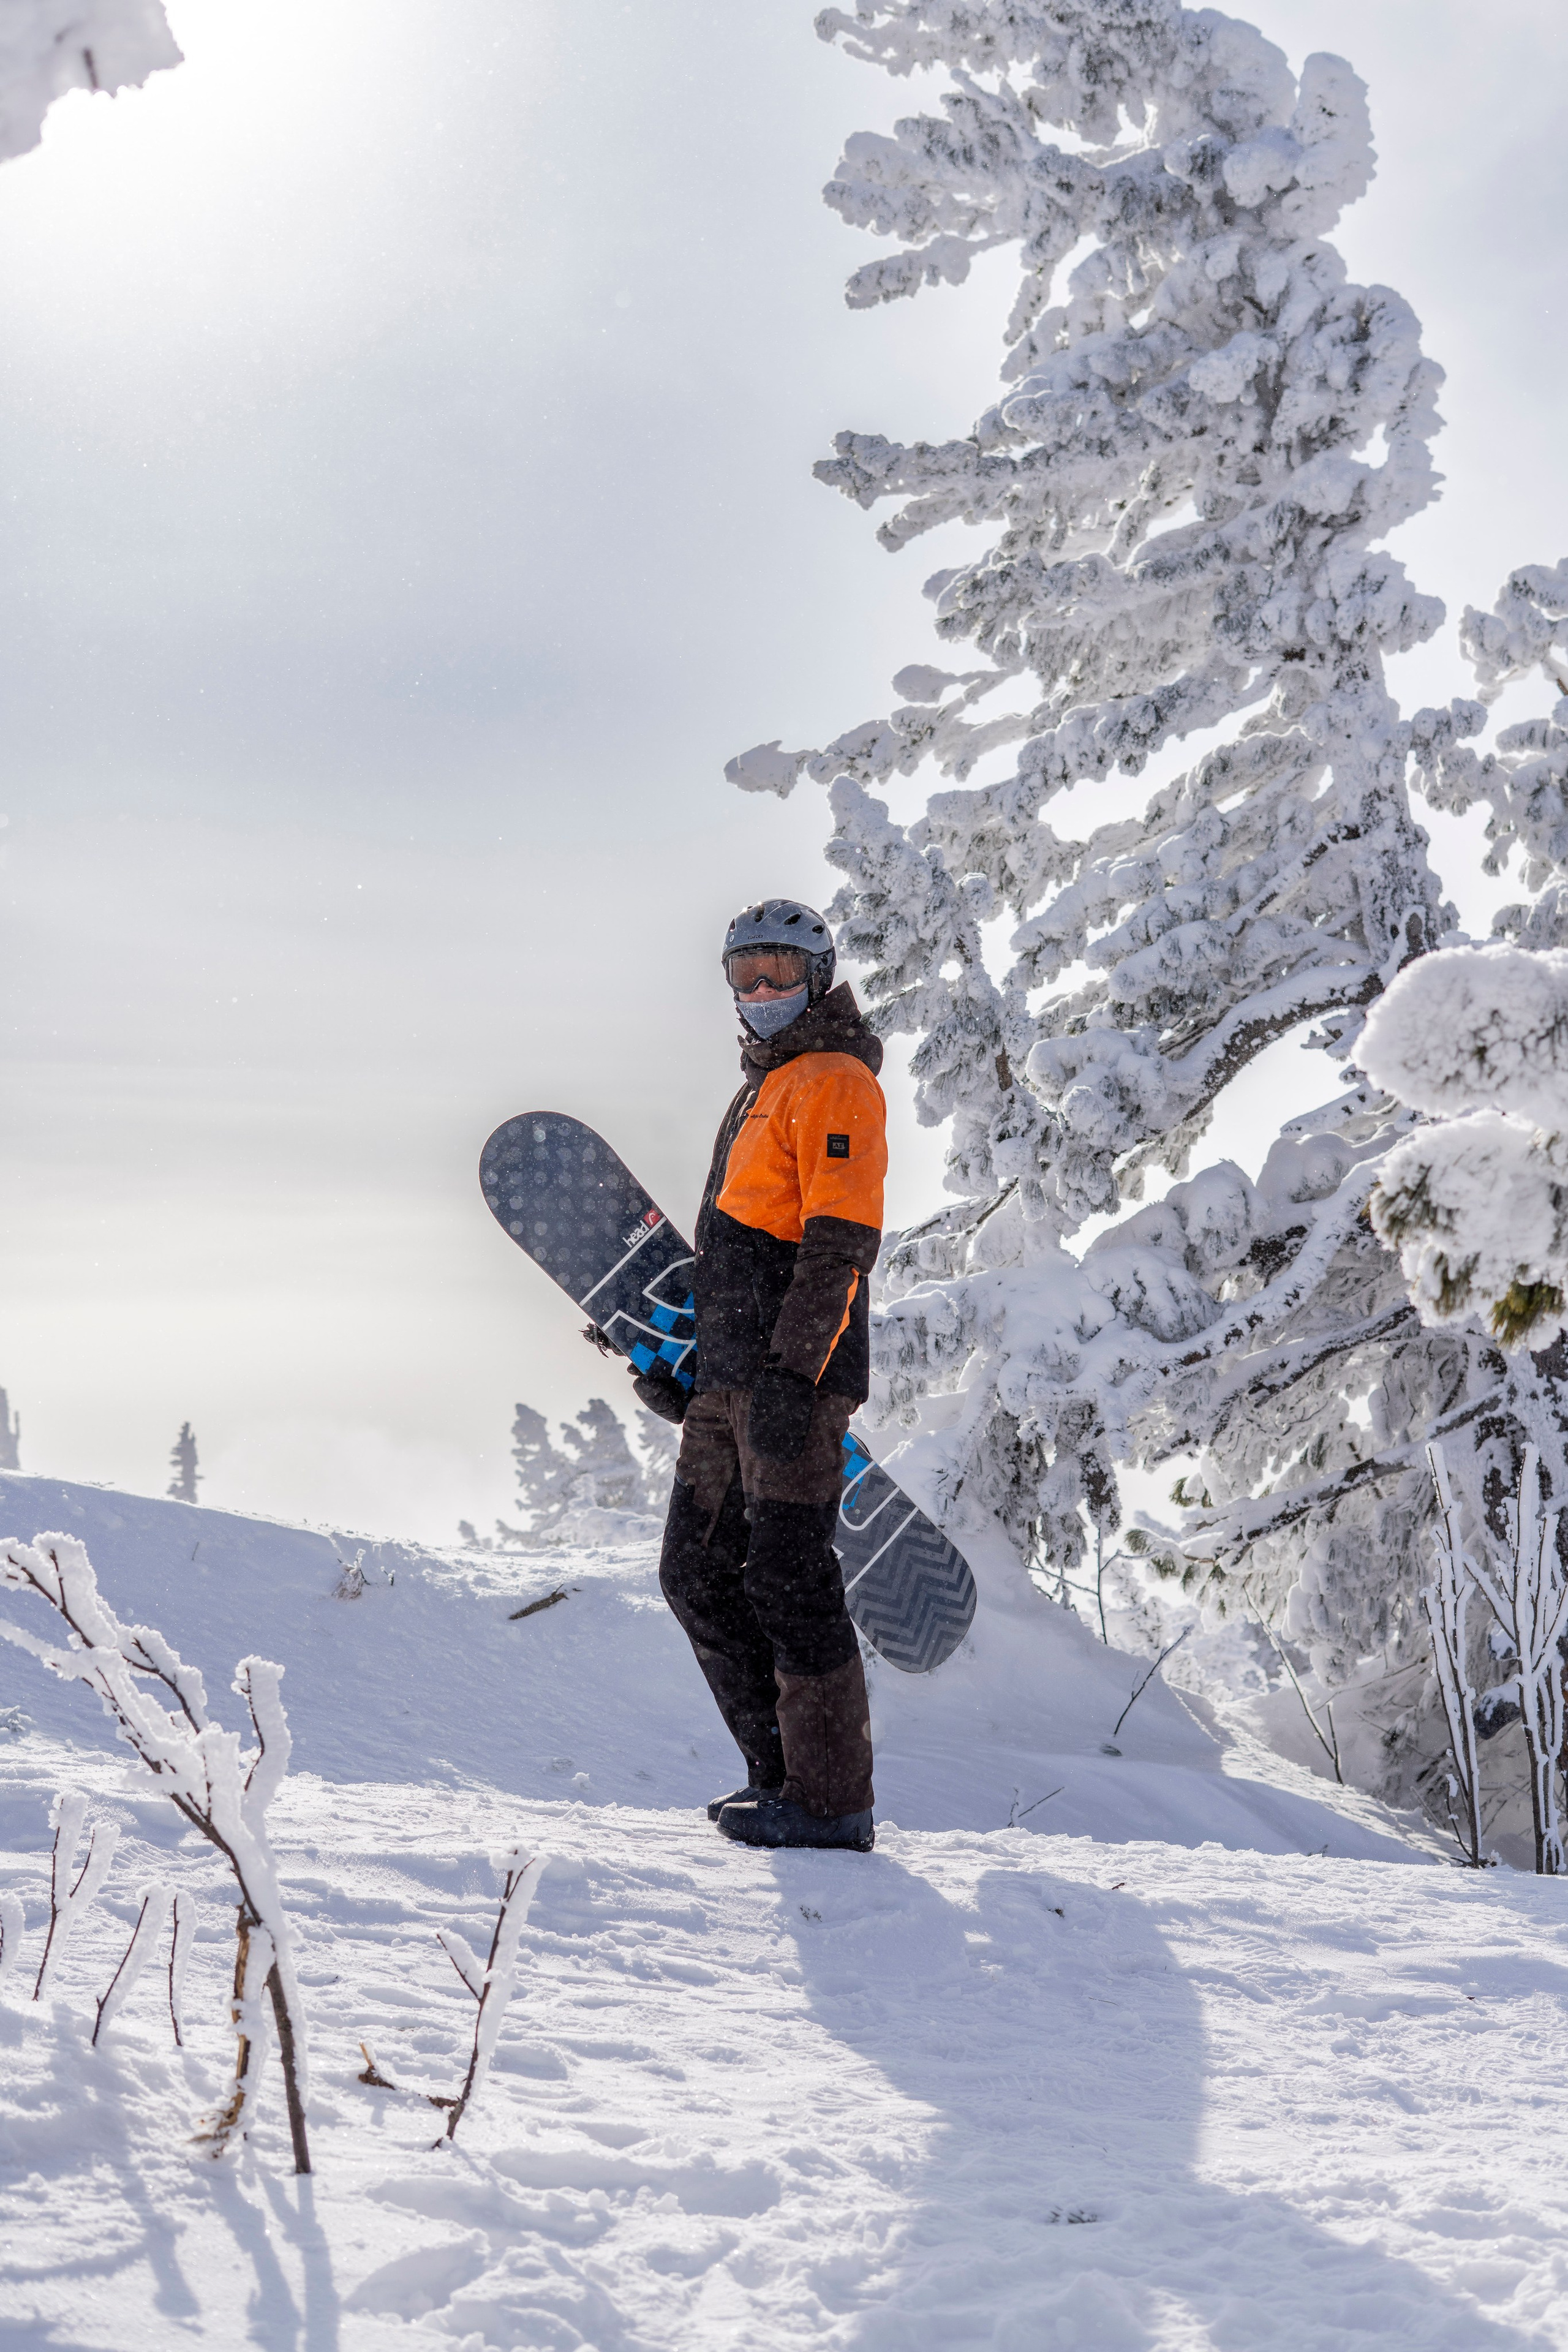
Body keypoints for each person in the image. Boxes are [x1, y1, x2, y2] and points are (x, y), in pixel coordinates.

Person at [630, 899, 886, 1852]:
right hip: (732, 1380)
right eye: (746, 975)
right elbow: (738, 1253)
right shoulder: (765, 1086)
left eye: (780, 971)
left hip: (792, 1378)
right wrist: (698, 1376)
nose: (763, 989)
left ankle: (831, 1802)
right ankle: (779, 1779)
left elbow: (839, 1244)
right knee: (696, 1573)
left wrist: (792, 1375)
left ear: (818, 977)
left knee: (788, 1575)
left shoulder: (835, 1079)